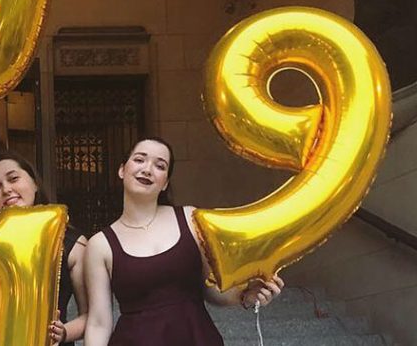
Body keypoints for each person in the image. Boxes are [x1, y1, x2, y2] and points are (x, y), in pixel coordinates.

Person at [83, 137, 285, 345]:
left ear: (165, 183)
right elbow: (98, 322)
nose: (148, 169)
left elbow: (210, 289)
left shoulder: (191, 219)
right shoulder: (100, 244)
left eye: (160, 165)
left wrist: (244, 294)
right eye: (139, 160)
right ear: (122, 170)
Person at [0, 151, 88, 346]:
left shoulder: (72, 243)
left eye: (13, 179)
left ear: (35, 183)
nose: (6, 190)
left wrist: (64, 333)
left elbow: (91, 316)